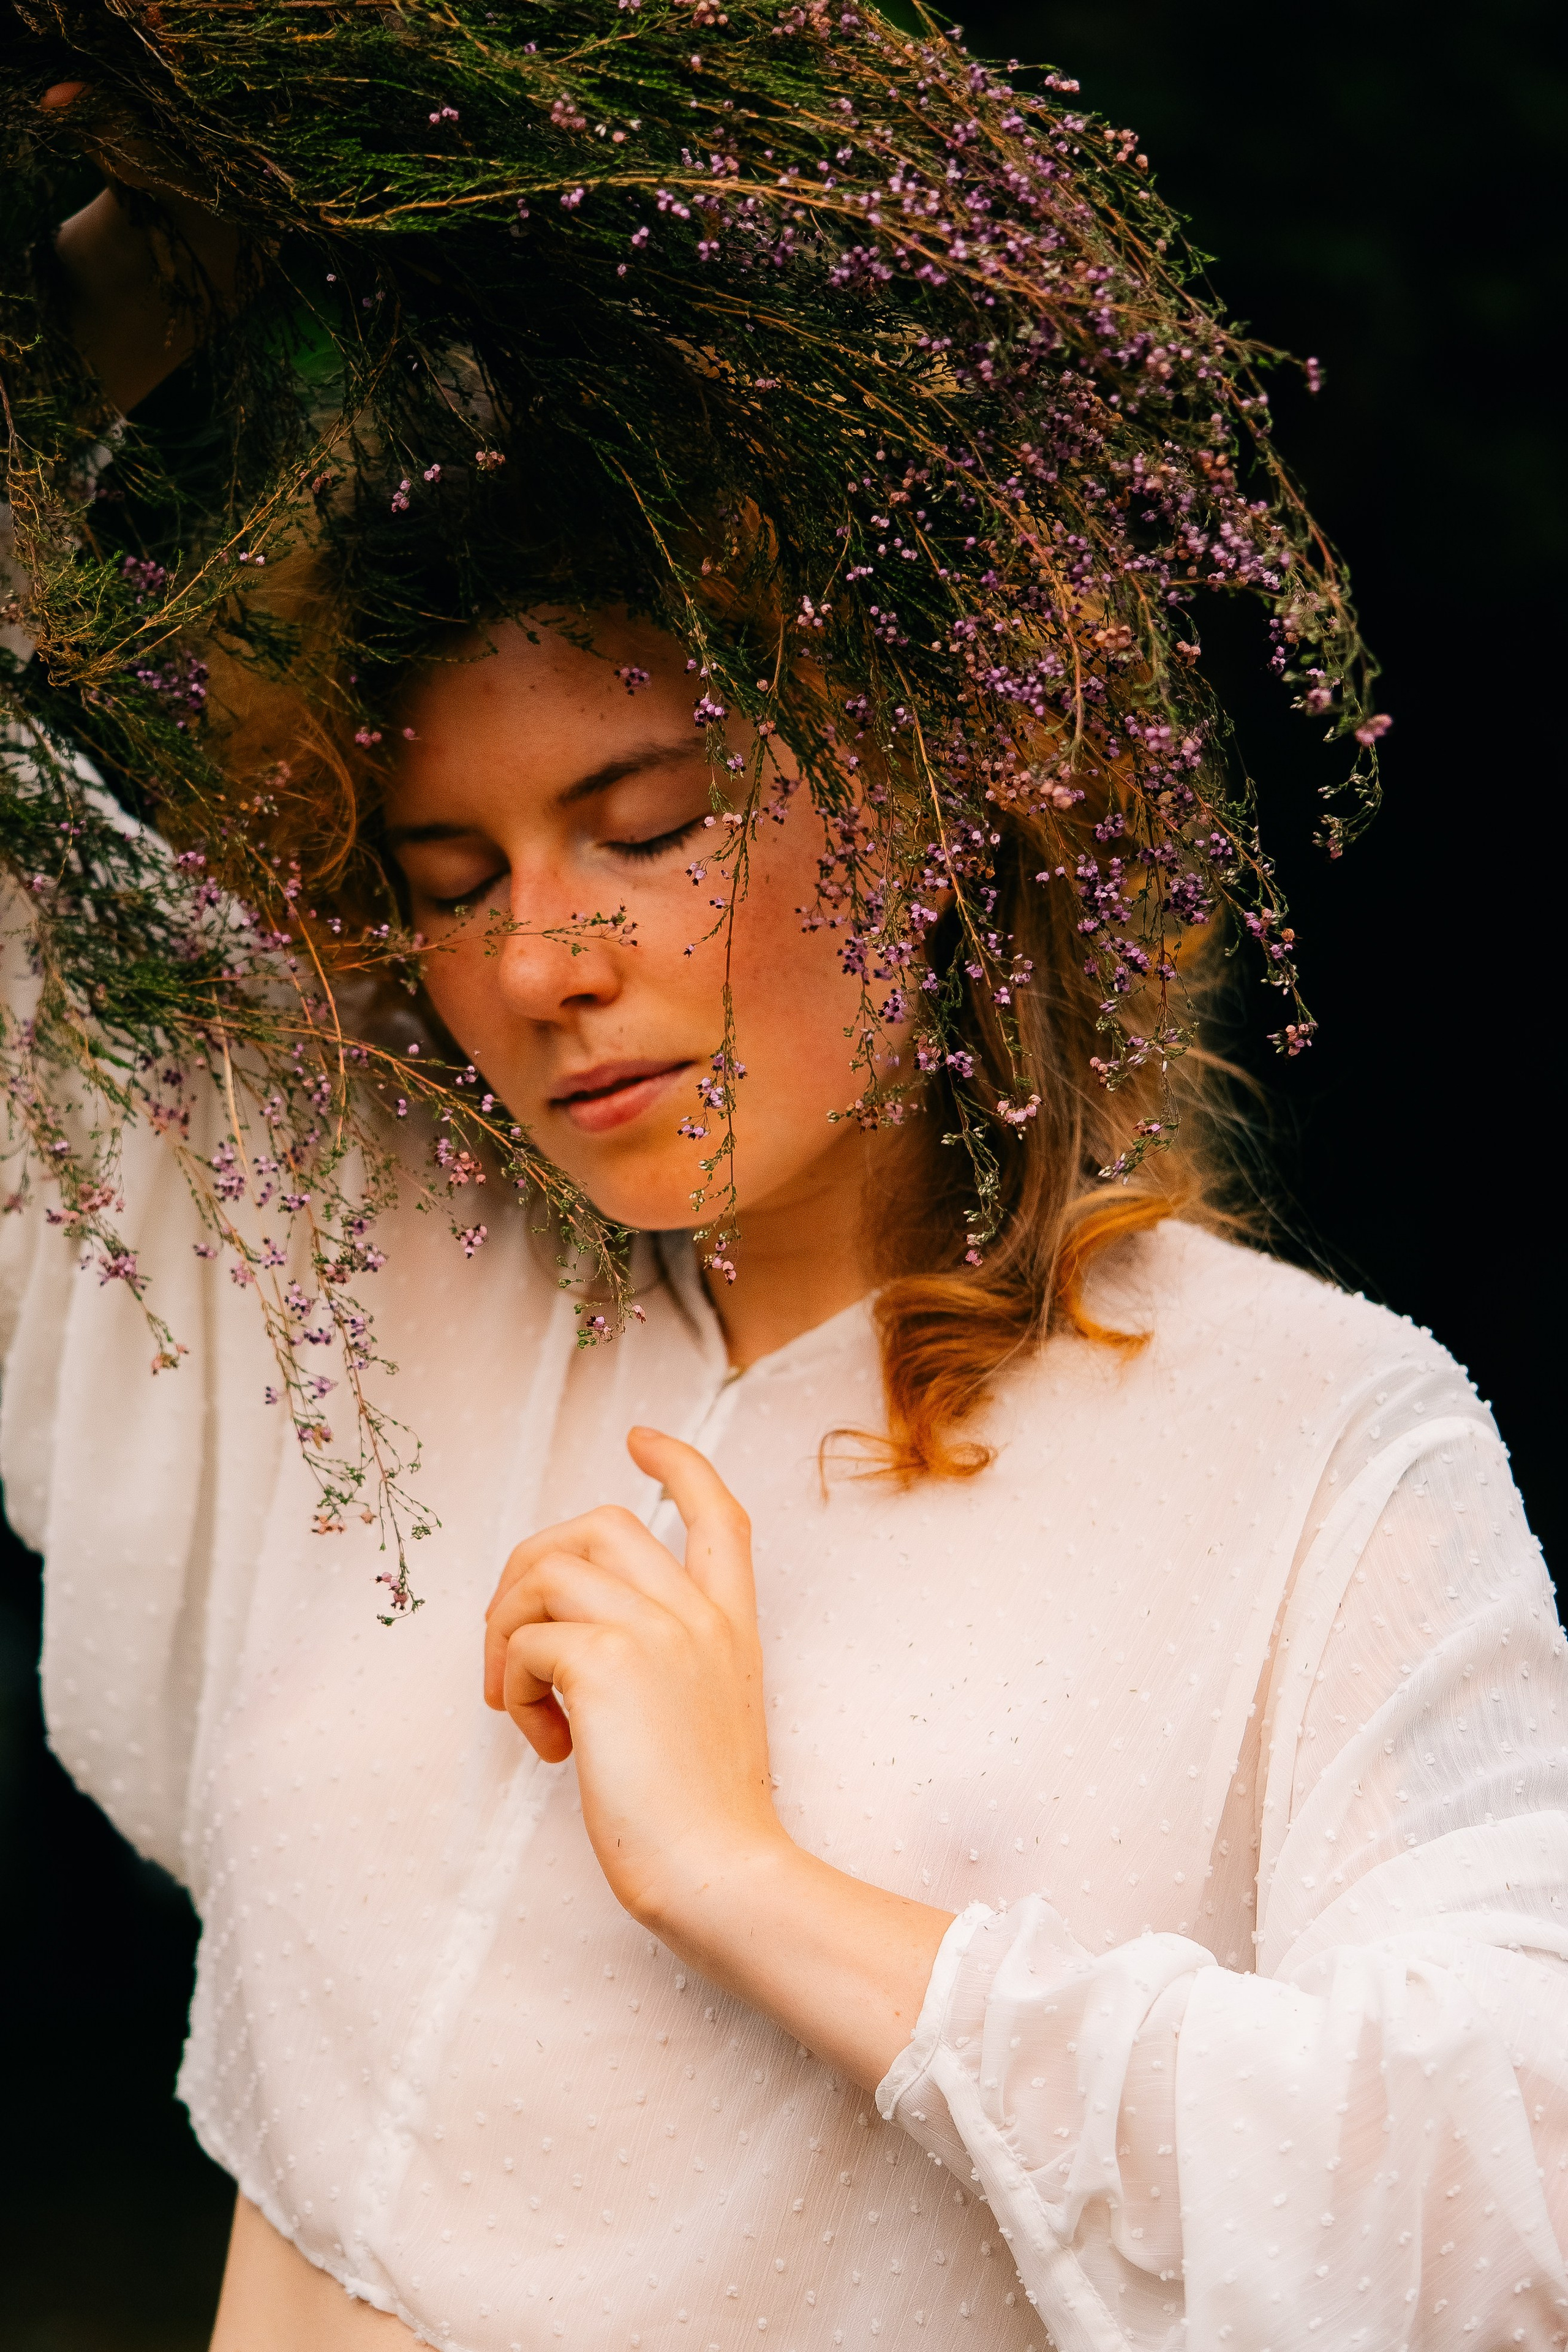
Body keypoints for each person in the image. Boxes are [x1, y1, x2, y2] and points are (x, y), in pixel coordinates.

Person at [4, 39, 1567, 2352]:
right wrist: (70, 363)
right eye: (456, 878)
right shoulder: (342, 1276)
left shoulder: (1315, 1454)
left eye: (645, 829)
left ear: (942, 790)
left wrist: (748, 1883)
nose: (547, 959)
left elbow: (1497, 2192)